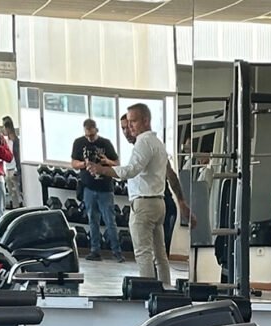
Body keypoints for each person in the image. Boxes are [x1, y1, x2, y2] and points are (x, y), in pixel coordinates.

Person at [88, 105, 171, 285]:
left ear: (146, 121)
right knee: (160, 255)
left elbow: (130, 171)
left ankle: (148, 294)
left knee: (143, 254)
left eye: (133, 121)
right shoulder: (158, 143)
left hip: (144, 205)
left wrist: (102, 169)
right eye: (128, 122)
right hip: (158, 203)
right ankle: (167, 290)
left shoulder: (143, 142)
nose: (130, 126)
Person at [116, 114, 196, 256]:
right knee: (154, 255)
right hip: (155, 206)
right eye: (123, 128)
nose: (126, 132)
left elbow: (171, 175)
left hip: (159, 205)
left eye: (129, 127)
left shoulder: (151, 148)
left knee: (153, 254)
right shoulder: (141, 150)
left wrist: (182, 203)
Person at [72, 119, 124, 262]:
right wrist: (84, 164)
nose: (90, 138)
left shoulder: (105, 143)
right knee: (92, 221)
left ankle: (117, 252)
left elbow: (117, 163)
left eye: (92, 135)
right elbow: (73, 163)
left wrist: (106, 161)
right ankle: (95, 251)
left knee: (110, 221)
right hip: (88, 188)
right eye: (87, 135)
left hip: (105, 189)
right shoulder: (79, 143)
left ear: (96, 130)